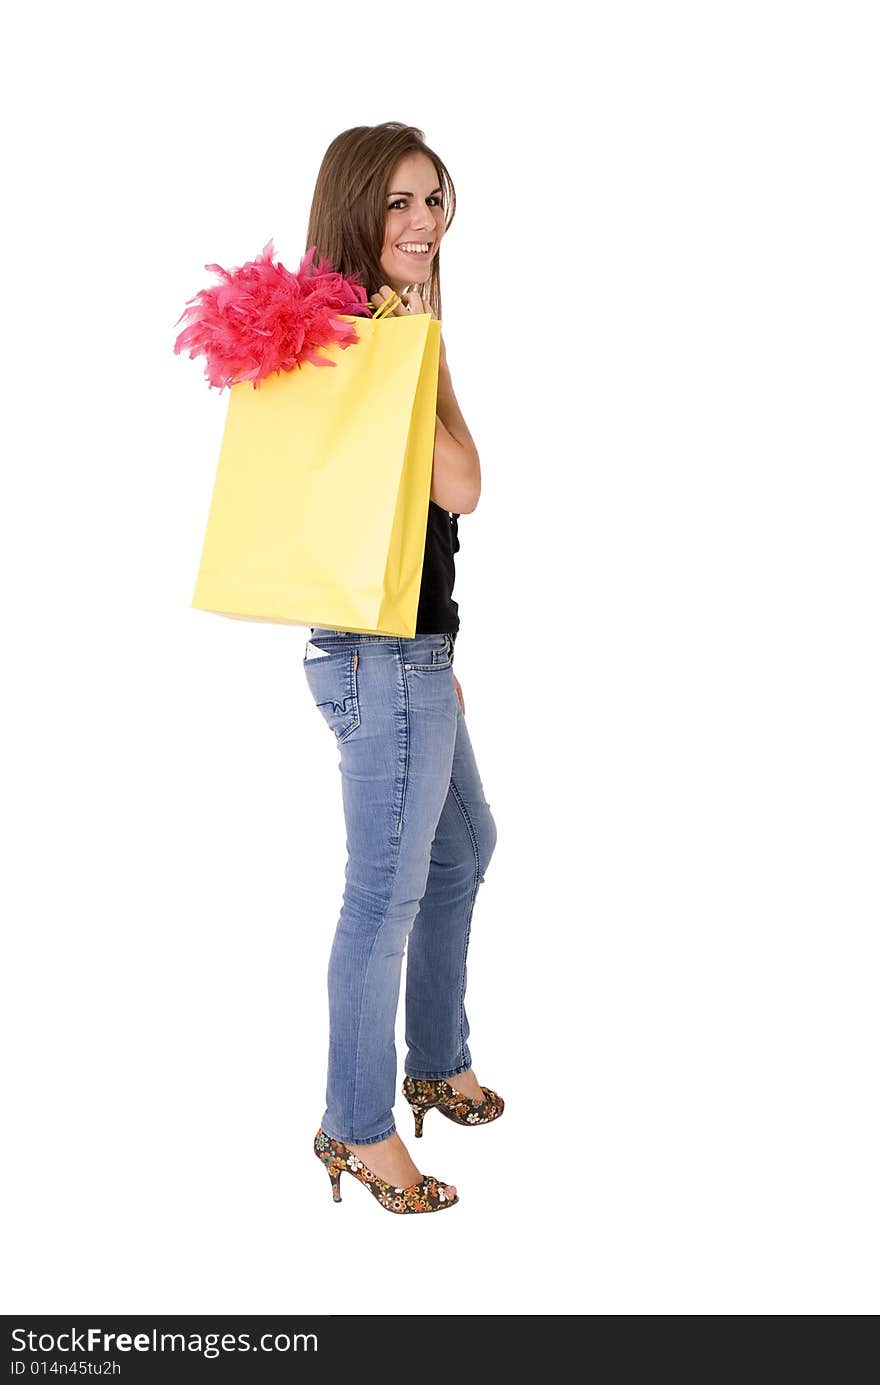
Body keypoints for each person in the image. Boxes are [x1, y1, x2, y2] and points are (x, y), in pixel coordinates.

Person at [304, 123, 502, 1216]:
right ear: (354, 215)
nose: (422, 221)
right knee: (382, 894)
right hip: (382, 655)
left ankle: (435, 1057)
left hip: (411, 646)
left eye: (433, 198)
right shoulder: (364, 342)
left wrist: (441, 651)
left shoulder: (399, 330)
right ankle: (356, 1124)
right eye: (395, 204)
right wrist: (417, 356)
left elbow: (421, 522)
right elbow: (462, 484)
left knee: (464, 846)